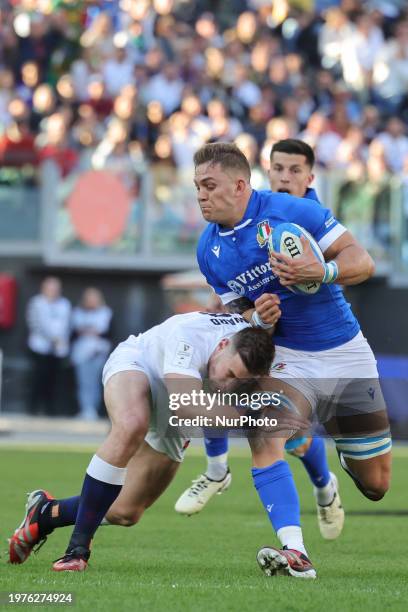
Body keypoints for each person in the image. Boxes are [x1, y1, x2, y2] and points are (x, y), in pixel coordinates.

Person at [193, 142, 391, 579]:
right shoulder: (208, 251)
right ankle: (295, 551)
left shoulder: (289, 210)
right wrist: (255, 316)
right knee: (263, 436)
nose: (202, 196)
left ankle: (340, 458)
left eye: (210, 186)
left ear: (240, 185)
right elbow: (237, 311)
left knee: (376, 484)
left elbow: (363, 260)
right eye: (197, 187)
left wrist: (322, 272)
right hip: (288, 358)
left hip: (344, 351)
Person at [9, 312, 292, 571]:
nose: (228, 385)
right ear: (221, 347)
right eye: (229, 374)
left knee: (126, 512)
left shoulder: (253, 349)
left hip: (179, 406)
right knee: (132, 424)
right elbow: (186, 405)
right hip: (141, 366)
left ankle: (44, 513)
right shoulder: (188, 337)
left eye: (238, 382)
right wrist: (246, 416)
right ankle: (77, 551)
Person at [176, 140, 345, 545]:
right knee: (221, 377)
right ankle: (217, 471)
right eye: (278, 169)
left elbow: (348, 265)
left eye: (294, 170)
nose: (285, 177)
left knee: (296, 438)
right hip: (269, 335)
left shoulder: (304, 216)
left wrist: (317, 273)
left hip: (315, 337)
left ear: (310, 178)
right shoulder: (231, 225)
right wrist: (247, 314)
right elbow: (238, 294)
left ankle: (324, 487)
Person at [26, 277, 71, 416]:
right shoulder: (36, 302)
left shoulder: (64, 304)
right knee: (39, 378)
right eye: (50, 288)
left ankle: (49, 409)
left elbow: (68, 324)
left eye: (56, 289)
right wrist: (52, 338)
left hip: (58, 349)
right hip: (40, 347)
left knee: (54, 380)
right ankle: (33, 408)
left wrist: (61, 341)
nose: (53, 291)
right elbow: (35, 324)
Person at [71, 288, 112, 420]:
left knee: (95, 382)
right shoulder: (78, 312)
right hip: (81, 352)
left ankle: (93, 409)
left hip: (98, 352)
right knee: (83, 382)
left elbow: (106, 332)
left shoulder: (106, 312)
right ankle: (85, 409)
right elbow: (75, 331)